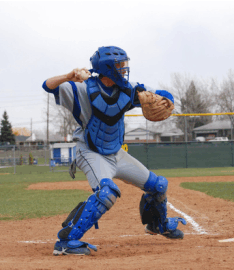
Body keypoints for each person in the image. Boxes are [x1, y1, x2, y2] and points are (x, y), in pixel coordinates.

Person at [42, 46, 186, 256]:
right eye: (119, 66)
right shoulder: (82, 89)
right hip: (91, 152)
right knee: (106, 193)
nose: (124, 69)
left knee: (159, 185)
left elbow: (160, 93)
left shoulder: (128, 89)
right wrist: (69, 76)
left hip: (116, 153)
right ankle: (66, 241)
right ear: (107, 68)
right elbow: (47, 86)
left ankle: (158, 225)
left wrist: (166, 98)